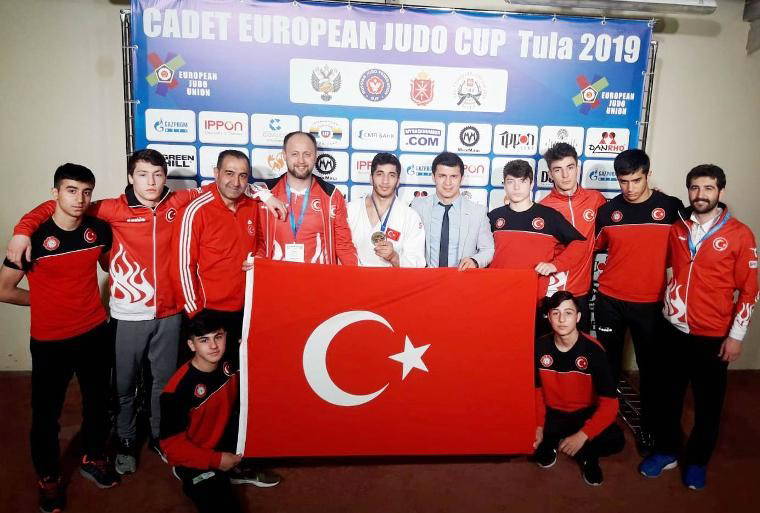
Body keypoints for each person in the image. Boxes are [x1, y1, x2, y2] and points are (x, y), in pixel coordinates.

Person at [7, 149, 284, 475]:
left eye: (157, 175)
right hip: (127, 315)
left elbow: (229, 185)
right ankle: (125, 440)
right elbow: (63, 205)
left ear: (165, 177)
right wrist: (23, 229)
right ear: (130, 177)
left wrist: (266, 195)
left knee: (162, 384)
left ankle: (157, 436)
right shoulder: (111, 208)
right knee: (123, 387)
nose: (151, 182)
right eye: (142, 175)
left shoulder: (179, 201)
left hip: (169, 313)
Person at [0, 164, 118, 513]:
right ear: (55, 193)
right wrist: (46, 301)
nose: (79, 199)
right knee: (46, 414)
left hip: (94, 332)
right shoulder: (32, 237)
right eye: (71, 190)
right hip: (51, 340)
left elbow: (110, 266)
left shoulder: (98, 229)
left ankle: (93, 457)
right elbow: (4, 290)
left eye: (86, 192)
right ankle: (48, 477)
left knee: (99, 403)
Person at [640, 164, 758, 490]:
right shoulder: (678, 226)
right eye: (694, 188)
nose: (700, 194)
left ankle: (697, 461)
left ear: (721, 191)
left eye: (708, 188)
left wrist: (736, 337)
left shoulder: (740, 234)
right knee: (668, 397)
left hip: (713, 334)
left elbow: (750, 290)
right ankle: (666, 451)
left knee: (708, 405)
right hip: (674, 329)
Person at [594, 149, 684, 449]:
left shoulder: (670, 207)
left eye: (636, 180)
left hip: (650, 303)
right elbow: (594, 248)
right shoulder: (608, 211)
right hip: (609, 300)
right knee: (607, 367)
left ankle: (648, 428)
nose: (630, 188)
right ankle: (605, 423)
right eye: (623, 181)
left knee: (651, 370)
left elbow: (692, 244)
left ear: (648, 175)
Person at [160, 310, 278, 513]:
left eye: (218, 337)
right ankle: (194, 472)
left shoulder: (232, 358)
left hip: (228, 440)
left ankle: (236, 466)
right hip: (199, 454)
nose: (214, 346)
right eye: (204, 340)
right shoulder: (176, 390)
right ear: (191, 345)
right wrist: (216, 460)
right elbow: (171, 446)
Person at [533, 291, 625, 486]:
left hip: (583, 413)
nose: (562, 319)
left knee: (616, 440)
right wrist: (538, 426)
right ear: (548, 317)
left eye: (568, 313)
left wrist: (584, 435)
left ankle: (587, 453)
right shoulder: (539, 347)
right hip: (553, 413)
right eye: (556, 313)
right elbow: (536, 393)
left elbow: (610, 404)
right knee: (527, 435)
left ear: (578, 317)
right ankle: (552, 441)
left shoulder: (594, 350)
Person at [487, 159, 586, 335]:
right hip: (498, 297)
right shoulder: (493, 217)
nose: (516, 187)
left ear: (531, 184)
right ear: (504, 185)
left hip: (534, 300)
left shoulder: (549, 216)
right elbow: (481, 252)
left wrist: (555, 265)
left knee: (533, 346)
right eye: (511, 181)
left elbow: (579, 244)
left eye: (522, 181)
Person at [257, 131, 358, 265]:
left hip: (319, 277)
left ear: (315, 156)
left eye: (307, 154)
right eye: (295, 154)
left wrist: (355, 275)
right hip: (277, 275)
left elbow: (344, 246)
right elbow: (237, 187)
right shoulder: (265, 192)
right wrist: (264, 195)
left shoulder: (332, 196)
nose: (301, 161)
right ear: (284, 155)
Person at [539, 143, 607, 332]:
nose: (565, 175)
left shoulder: (595, 199)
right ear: (550, 174)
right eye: (558, 170)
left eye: (570, 167)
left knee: (581, 347)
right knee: (547, 347)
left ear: (577, 167)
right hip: (552, 293)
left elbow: (610, 231)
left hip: (581, 292)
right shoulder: (543, 207)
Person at [410, 152, 493, 269]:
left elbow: (487, 249)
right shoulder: (417, 207)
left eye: (453, 176)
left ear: (461, 178)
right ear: (433, 177)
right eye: (442, 176)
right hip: (426, 277)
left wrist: (474, 261)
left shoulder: (478, 212)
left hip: (462, 278)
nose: (447, 183)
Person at [346, 152, 425, 267]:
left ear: (398, 181)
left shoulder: (410, 216)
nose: (385, 181)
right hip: (355, 277)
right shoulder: (350, 210)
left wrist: (394, 257)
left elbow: (417, 264)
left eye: (391, 175)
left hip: (392, 279)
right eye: (380, 174)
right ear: (371, 178)